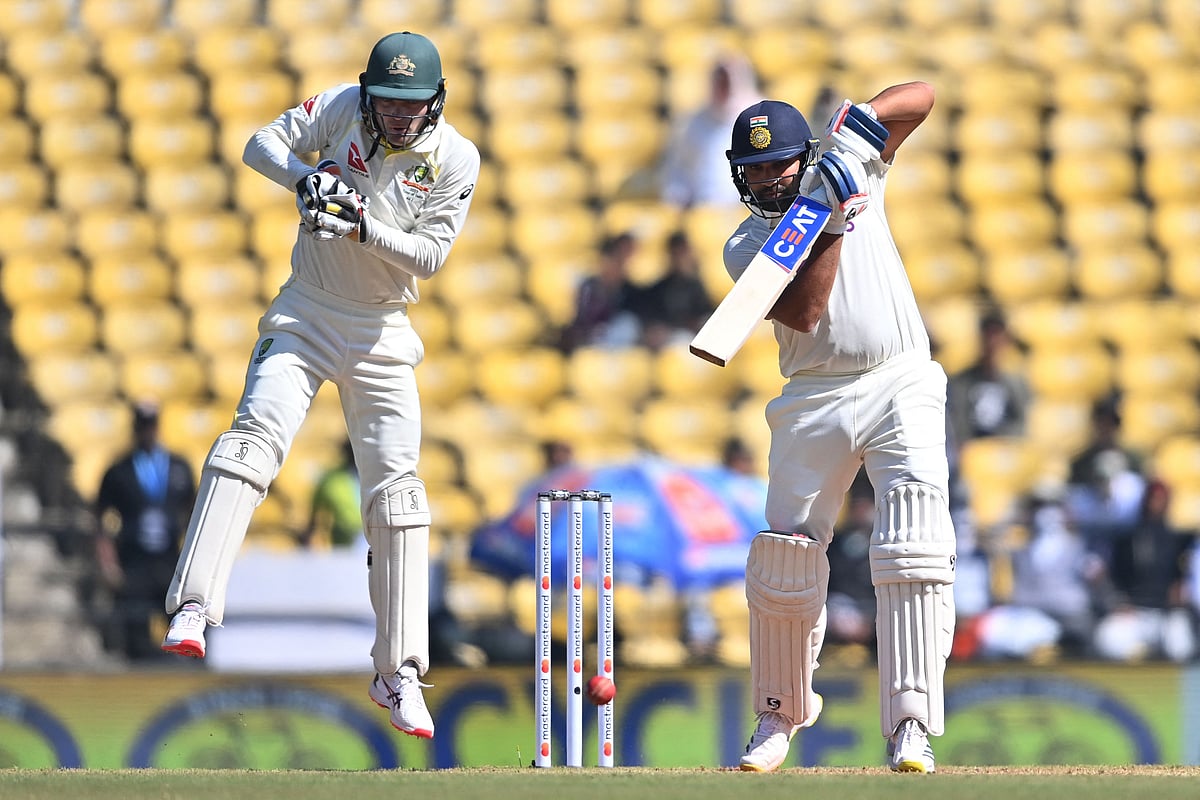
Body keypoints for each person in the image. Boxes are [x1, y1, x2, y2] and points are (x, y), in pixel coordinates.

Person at [158, 31, 480, 742]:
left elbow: (428, 257)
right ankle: (193, 607)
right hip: (306, 308)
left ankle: (398, 672)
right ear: (370, 93)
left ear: (436, 101)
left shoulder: (456, 157)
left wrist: (363, 225)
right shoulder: (338, 107)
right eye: (388, 103)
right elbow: (259, 144)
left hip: (383, 330)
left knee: (400, 497)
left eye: (411, 106)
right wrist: (304, 180)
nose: (397, 118)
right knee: (249, 446)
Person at [721, 85, 956, 773]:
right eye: (754, 168)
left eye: (779, 165)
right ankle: (777, 713)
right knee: (786, 553)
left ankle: (911, 723)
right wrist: (827, 216)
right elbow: (804, 311)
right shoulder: (746, 242)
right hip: (813, 395)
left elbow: (922, 96)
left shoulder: (847, 171)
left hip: (900, 375)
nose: (766, 178)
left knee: (913, 537)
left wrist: (859, 126)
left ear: (803, 158)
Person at [94, 402, 196, 662]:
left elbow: (194, 514)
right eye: (142, 426)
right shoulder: (120, 470)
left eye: (150, 426)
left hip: (171, 562)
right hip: (134, 563)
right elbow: (100, 522)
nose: (147, 432)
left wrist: (192, 560)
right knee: (135, 637)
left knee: (183, 630)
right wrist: (109, 563)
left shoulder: (178, 467)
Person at [659, 54, 762, 209]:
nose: (723, 87)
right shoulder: (695, 122)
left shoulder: (761, 118)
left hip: (750, 212)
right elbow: (678, 171)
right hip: (702, 212)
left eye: (728, 80)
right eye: (719, 80)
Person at [946, 309, 1031, 445]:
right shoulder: (963, 381)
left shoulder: (1017, 380)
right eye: (988, 335)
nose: (992, 342)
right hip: (974, 449)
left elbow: (1021, 421)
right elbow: (959, 421)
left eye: (996, 335)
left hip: (1006, 447)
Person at [559, 231, 643, 352]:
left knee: (627, 324)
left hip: (615, 339)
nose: (612, 269)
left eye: (616, 265)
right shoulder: (588, 286)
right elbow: (581, 317)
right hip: (590, 337)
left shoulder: (629, 289)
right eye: (609, 263)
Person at [637, 230, 715, 351]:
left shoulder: (696, 285)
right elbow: (653, 317)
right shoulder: (662, 287)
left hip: (689, 338)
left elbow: (704, 314)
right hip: (667, 341)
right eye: (676, 252)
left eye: (682, 252)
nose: (680, 258)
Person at [300, 439, 364, 550]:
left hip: (375, 540)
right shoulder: (332, 480)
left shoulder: (379, 477)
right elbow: (314, 516)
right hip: (344, 548)